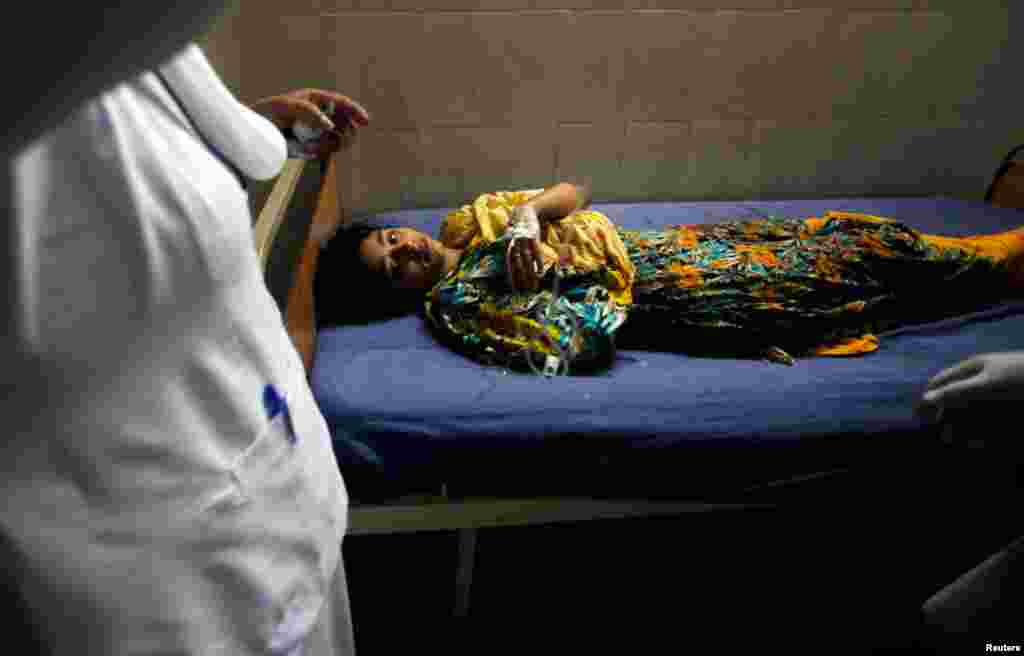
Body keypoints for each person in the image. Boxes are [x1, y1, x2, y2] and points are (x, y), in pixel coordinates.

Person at [1, 6, 370, 654]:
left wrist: (247, 127)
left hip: (279, 514)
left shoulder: (98, 56)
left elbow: (134, 156)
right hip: (168, 593)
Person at [317, 183, 1024, 372]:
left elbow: (573, 189)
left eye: (389, 239)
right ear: (397, 297)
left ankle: (984, 259)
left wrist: (529, 216)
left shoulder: (467, 223)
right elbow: (585, 347)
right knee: (841, 270)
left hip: (656, 245)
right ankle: (993, 265)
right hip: (669, 293)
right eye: (391, 269)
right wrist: (545, 286)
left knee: (842, 240)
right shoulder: (458, 306)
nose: (404, 249)